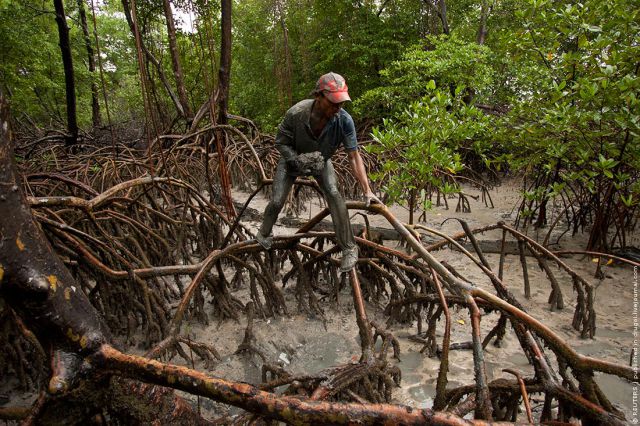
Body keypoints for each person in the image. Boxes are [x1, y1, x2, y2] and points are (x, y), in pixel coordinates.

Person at [255, 72, 381, 272]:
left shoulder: (344, 120)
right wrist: (296, 160)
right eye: (333, 102)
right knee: (277, 200)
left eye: (341, 103)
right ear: (319, 96)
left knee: (333, 193)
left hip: (321, 161)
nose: (338, 107)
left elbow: (354, 156)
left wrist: (367, 191)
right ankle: (264, 233)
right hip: (291, 160)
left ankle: (349, 248)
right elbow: (281, 142)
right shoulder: (296, 113)